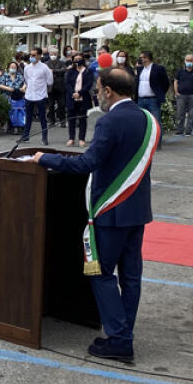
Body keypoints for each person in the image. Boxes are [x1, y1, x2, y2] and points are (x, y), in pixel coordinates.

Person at [26, 67, 156, 364]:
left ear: (108, 90)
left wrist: (45, 158)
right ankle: (124, 332)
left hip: (110, 212)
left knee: (100, 272)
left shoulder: (109, 121)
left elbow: (88, 162)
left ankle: (120, 340)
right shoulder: (149, 119)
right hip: (137, 211)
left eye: (98, 88)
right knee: (131, 277)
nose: (96, 93)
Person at [21, 47, 52, 145]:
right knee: (28, 117)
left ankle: (44, 138)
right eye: (31, 55)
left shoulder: (44, 67)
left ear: (39, 56)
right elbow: (26, 79)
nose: (31, 57)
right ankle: (25, 136)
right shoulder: (27, 67)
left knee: (42, 117)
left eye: (34, 55)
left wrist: (43, 88)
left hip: (40, 95)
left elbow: (50, 81)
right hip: (29, 95)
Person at [64, 52, 94, 146]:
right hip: (71, 97)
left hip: (83, 98)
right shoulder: (70, 71)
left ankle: (81, 138)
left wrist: (80, 93)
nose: (77, 61)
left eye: (79, 59)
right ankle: (71, 138)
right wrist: (73, 93)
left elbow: (88, 84)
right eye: (75, 59)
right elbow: (67, 83)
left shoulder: (88, 71)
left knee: (82, 119)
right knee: (71, 118)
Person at [173, 54, 193, 136]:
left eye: (190, 60)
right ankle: (179, 130)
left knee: (191, 114)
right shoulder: (180, 71)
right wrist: (176, 92)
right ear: (184, 61)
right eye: (187, 60)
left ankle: (188, 131)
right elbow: (175, 81)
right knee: (180, 113)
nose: (189, 62)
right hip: (181, 95)